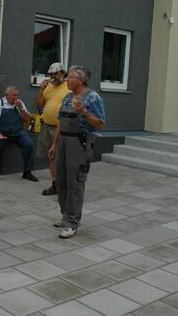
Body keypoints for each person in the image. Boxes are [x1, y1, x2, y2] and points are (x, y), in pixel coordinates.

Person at [49, 65, 105, 239]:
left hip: (80, 142)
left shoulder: (93, 97)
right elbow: (60, 122)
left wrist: (84, 112)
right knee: (61, 181)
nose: (67, 79)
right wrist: (54, 144)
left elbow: (100, 124)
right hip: (63, 141)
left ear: (80, 80)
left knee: (75, 182)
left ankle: (72, 223)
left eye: (71, 77)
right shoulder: (67, 97)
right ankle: (65, 215)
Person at [0, 86, 37, 182]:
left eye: (17, 95)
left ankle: (27, 172)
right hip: (3, 133)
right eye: (14, 95)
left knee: (29, 144)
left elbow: (27, 119)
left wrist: (21, 108)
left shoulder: (19, 103)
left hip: (18, 133)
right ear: (7, 95)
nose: (16, 97)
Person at [34, 62, 69, 195]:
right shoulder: (48, 87)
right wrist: (41, 90)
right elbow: (39, 105)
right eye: (51, 74)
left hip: (61, 128)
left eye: (55, 74)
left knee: (61, 158)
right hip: (46, 126)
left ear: (62, 73)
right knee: (52, 157)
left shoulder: (69, 86)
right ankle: (55, 184)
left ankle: (64, 184)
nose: (53, 77)